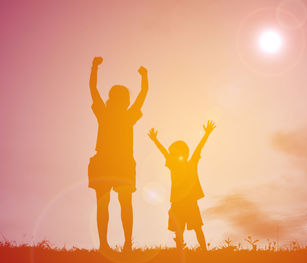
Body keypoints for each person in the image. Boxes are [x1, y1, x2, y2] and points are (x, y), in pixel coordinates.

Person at [88, 56, 148, 252]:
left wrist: (95, 67)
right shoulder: (114, 114)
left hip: (115, 161)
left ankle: (124, 243)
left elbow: (142, 94)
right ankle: (110, 244)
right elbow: (93, 90)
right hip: (110, 161)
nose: (123, 100)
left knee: (118, 204)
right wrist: (94, 68)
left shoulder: (111, 113)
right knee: (113, 204)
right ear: (115, 99)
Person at [147, 120, 216, 251]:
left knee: (194, 228)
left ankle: (203, 251)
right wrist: (155, 140)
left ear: (182, 153)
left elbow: (198, 148)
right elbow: (165, 152)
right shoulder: (179, 165)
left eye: (173, 152)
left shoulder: (188, 164)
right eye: (171, 153)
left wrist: (206, 134)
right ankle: (191, 251)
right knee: (183, 230)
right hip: (181, 203)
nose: (170, 155)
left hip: (186, 202)